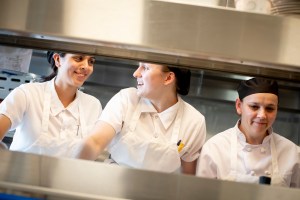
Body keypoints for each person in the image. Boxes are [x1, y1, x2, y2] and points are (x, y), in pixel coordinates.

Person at [77, 62, 206, 174]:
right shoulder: (126, 99)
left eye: (145, 67)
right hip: (112, 184)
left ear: (168, 78)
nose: (136, 73)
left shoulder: (194, 122)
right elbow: (95, 142)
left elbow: (188, 175)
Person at [196, 77, 300, 187]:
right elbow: (202, 195)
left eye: (270, 108)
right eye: (254, 107)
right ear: (239, 106)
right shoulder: (215, 148)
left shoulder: (292, 153)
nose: (262, 115)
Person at [0, 51, 102, 157]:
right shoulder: (27, 94)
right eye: (79, 58)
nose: (86, 66)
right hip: (22, 173)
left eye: (91, 61)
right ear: (58, 59)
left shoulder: (93, 105)